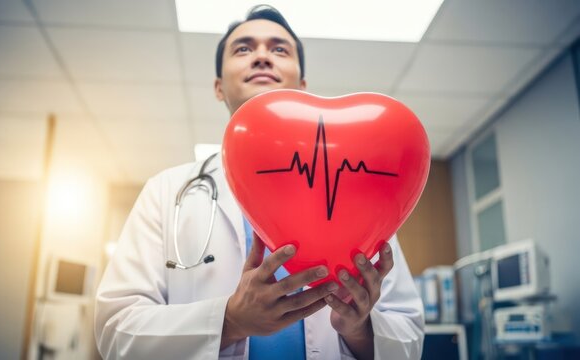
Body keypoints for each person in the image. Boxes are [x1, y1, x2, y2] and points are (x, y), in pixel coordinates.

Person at [94, 5, 424, 360]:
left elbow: (409, 335)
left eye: (280, 49)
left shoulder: (362, 186)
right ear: (219, 87)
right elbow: (116, 330)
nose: (263, 56)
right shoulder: (167, 191)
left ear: (302, 86)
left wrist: (361, 329)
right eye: (244, 48)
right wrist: (229, 321)